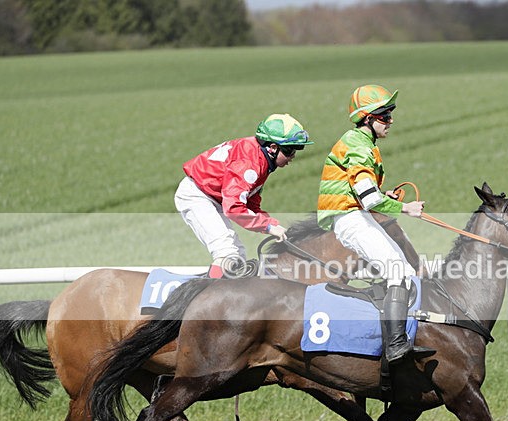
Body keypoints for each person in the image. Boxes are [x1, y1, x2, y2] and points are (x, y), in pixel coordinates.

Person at [317, 84, 434, 363]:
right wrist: (405, 207)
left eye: (390, 114)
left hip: (353, 216)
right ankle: (394, 346)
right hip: (351, 219)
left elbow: (364, 193)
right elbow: (368, 199)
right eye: (384, 116)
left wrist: (386, 197)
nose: (390, 121)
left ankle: (390, 337)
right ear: (367, 118)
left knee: (402, 271)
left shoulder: (361, 142)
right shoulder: (359, 146)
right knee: (397, 271)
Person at [175, 113, 313, 278]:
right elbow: (234, 208)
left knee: (238, 257)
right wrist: (268, 227)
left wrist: (273, 225)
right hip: (197, 196)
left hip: (215, 198)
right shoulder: (250, 164)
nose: (293, 156)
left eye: (297, 149)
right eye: (290, 150)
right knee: (227, 255)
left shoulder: (261, 159)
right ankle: (204, 299)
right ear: (273, 148)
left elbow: (250, 204)